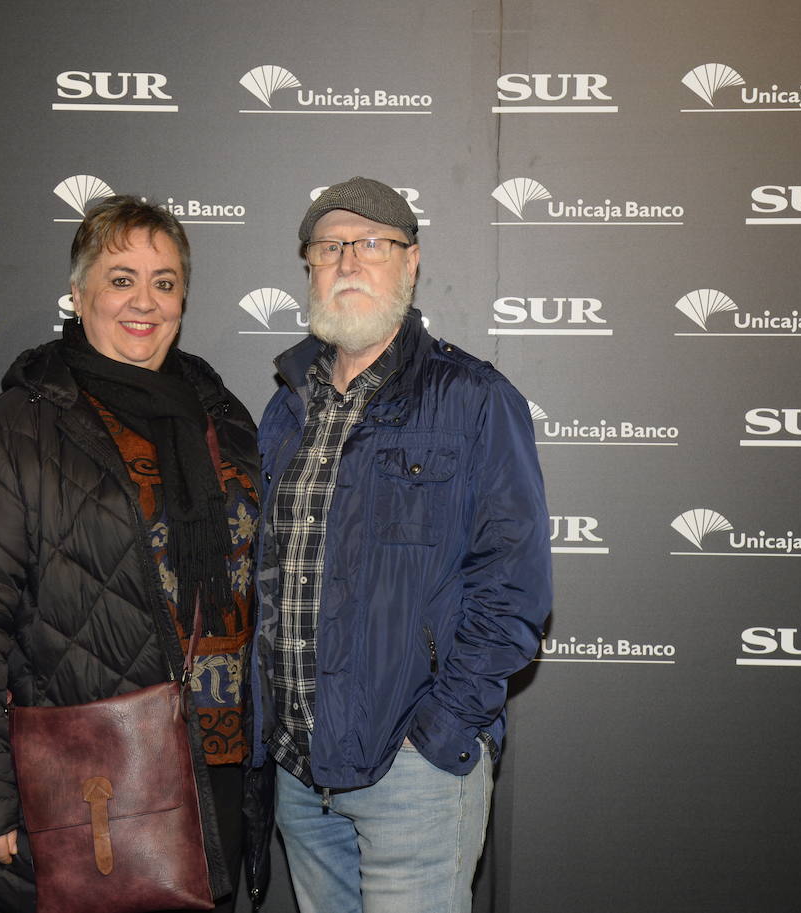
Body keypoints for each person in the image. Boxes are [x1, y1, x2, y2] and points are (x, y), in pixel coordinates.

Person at [0, 196, 258, 913]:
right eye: (120, 278)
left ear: (183, 298)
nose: (145, 300)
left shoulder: (222, 419)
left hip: (213, 774)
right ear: (78, 295)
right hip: (89, 784)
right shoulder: (19, 428)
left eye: (164, 282)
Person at [247, 176, 552, 913]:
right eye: (329, 247)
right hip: (299, 775)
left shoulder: (474, 399)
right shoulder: (284, 409)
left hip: (410, 774)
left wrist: (437, 734)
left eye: (372, 243)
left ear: (410, 263)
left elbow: (514, 590)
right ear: (309, 269)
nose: (349, 259)